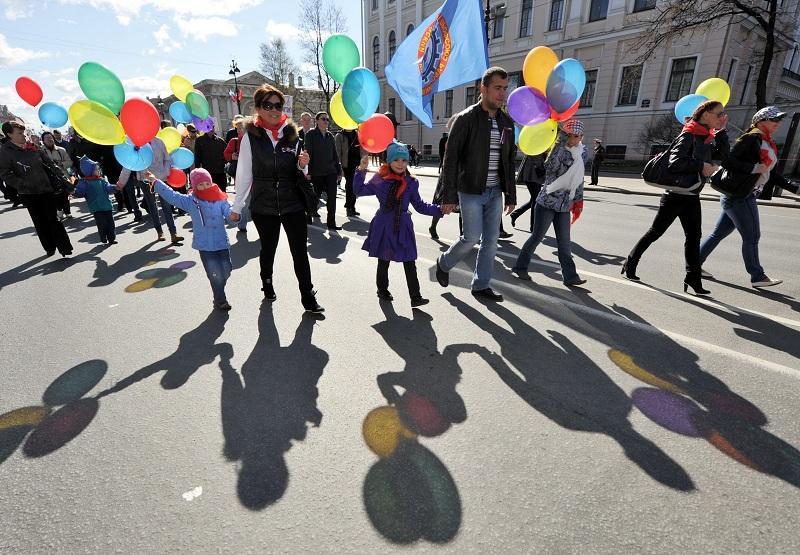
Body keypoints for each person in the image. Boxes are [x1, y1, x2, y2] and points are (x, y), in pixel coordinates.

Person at [230, 84, 324, 313]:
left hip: (292, 202)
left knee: (299, 251)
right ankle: (267, 282)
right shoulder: (250, 138)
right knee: (268, 248)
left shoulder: (293, 135)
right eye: (268, 105)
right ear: (258, 108)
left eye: (278, 105)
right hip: (264, 204)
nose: (273, 110)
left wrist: (302, 165)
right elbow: (243, 173)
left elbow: (299, 171)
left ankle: (307, 296)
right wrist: (237, 206)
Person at [622, 100, 729, 294]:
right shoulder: (689, 134)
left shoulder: (706, 136)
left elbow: (722, 156)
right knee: (655, 232)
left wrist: (722, 132)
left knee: (694, 237)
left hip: (691, 195)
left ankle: (693, 279)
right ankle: (630, 263)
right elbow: (675, 162)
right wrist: (701, 166)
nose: (722, 117)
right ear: (705, 115)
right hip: (675, 195)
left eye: (723, 114)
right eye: (718, 114)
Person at [434, 67, 516, 302]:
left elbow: (509, 161)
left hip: (495, 191)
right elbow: (450, 160)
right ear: (483, 89)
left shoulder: (506, 123)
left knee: (491, 242)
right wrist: (448, 195)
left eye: (504, 89)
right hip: (469, 190)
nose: (502, 94)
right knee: (471, 238)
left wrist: (510, 194)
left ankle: (481, 285)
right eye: (497, 88)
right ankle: (444, 262)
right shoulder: (465, 119)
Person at [699, 106, 800, 288]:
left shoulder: (766, 141)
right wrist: (753, 168)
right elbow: (728, 161)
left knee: (718, 233)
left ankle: (694, 264)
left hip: (739, 195)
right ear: (761, 122)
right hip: (740, 196)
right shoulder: (751, 138)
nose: (778, 123)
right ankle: (757, 276)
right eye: (774, 119)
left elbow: (771, 173)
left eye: (779, 119)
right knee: (752, 236)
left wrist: (795, 188)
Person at [354, 142, 443, 307]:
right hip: (384, 225)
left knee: (409, 261)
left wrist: (440, 210)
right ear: (389, 161)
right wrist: (361, 170)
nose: (401, 163)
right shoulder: (380, 179)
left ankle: (415, 297)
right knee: (384, 260)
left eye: (404, 160)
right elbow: (359, 191)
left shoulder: (411, 182)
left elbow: (420, 206)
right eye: (396, 160)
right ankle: (382, 290)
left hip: (403, 226)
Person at [511, 119, 588, 286]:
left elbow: (579, 180)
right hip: (547, 202)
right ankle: (520, 267)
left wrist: (578, 200)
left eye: (578, 136)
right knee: (536, 237)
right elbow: (550, 169)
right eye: (571, 135)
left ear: (582, 136)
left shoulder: (583, 153)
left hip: (564, 205)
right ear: (565, 135)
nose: (574, 139)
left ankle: (570, 277)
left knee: (564, 242)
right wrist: (560, 145)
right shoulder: (558, 149)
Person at [154, 168, 236, 310]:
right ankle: (220, 299)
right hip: (205, 246)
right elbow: (173, 196)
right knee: (214, 274)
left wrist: (235, 216)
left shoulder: (220, 198)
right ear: (194, 186)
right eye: (200, 184)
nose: (204, 187)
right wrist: (156, 182)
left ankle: (219, 292)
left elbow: (229, 213)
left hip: (221, 242)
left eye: (206, 183)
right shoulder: (191, 201)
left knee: (227, 269)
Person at [0, 121, 73, 257]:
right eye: (20, 133)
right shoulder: (5, 151)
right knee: (40, 222)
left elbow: (50, 164)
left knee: (54, 219)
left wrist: (65, 181)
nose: (24, 136)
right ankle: (49, 247)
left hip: (46, 188)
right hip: (28, 193)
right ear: (9, 134)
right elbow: (5, 173)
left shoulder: (32, 146)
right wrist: (21, 184)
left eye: (24, 132)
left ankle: (64, 248)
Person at [117, 135, 184, 243]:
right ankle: (159, 232)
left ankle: (173, 233)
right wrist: (121, 182)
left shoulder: (159, 141)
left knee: (166, 206)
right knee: (152, 206)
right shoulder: (135, 142)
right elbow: (128, 164)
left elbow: (167, 159)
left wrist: (165, 173)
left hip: (161, 179)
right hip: (145, 180)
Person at [304, 111, 343, 230]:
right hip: (316, 172)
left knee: (332, 198)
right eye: (323, 119)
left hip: (330, 172)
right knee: (315, 196)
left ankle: (331, 223)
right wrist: (308, 172)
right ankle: (309, 214)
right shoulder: (311, 134)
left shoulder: (330, 136)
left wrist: (339, 171)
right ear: (317, 121)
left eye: (327, 119)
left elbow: (335, 154)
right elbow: (307, 153)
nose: (326, 121)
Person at [72, 156, 118, 245]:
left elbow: (108, 188)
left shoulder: (102, 180)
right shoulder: (84, 182)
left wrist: (115, 187)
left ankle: (111, 238)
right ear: (90, 171)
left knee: (111, 223)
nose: (99, 171)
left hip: (107, 206)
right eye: (96, 169)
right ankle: (103, 236)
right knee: (102, 223)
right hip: (96, 207)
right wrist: (74, 192)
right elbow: (80, 192)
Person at [224, 117, 249, 234]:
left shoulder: (253, 141)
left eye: (241, 128)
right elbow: (226, 154)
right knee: (242, 201)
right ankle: (242, 225)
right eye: (237, 128)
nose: (238, 130)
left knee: (254, 201)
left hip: (254, 176)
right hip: (240, 176)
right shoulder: (234, 141)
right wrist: (232, 157)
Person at [42, 131, 74, 219]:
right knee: (55, 196)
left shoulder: (61, 150)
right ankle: (59, 209)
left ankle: (67, 211)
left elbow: (69, 162)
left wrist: (61, 164)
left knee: (65, 195)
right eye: (47, 138)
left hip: (63, 176)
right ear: (43, 141)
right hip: (50, 178)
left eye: (50, 137)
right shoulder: (41, 151)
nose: (49, 139)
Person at [509, 153, 546, 230]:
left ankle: (515, 214)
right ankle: (533, 226)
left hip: (536, 175)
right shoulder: (534, 146)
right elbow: (537, 160)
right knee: (535, 201)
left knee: (533, 200)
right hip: (532, 175)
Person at [335, 127, 363, 217]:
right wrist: (339, 168)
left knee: (355, 186)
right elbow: (337, 153)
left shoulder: (358, 134)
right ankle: (349, 207)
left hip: (357, 164)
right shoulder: (340, 135)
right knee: (350, 185)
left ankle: (352, 206)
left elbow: (362, 148)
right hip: (347, 165)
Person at [194, 122, 228, 192]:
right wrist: (197, 170)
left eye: (212, 127)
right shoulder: (199, 140)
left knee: (222, 191)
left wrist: (224, 162)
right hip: (208, 172)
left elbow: (226, 154)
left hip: (220, 171)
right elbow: (197, 156)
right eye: (208, 127)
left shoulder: (220, 141)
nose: (211, 129)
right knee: (210, 192)